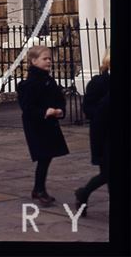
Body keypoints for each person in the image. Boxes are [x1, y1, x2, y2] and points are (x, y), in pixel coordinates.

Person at [17, 46, 69, 206]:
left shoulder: (49, 80)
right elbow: (27, 107)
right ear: (34, 61)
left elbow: (59, 98)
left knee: (47, 157)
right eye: (45, 58)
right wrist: (44, 111)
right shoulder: (29, 83)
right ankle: (39, 190)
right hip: (36, 125)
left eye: (49, 59)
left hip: (49, 124)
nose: (48, 61)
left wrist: (60, 110)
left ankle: (38, 188)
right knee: (43, 156)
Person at [75, 51, 110, 215]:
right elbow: (88, 108)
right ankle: (84, 192)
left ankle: (83, 193)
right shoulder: (99, 82)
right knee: (109, 173)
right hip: (105, 135)